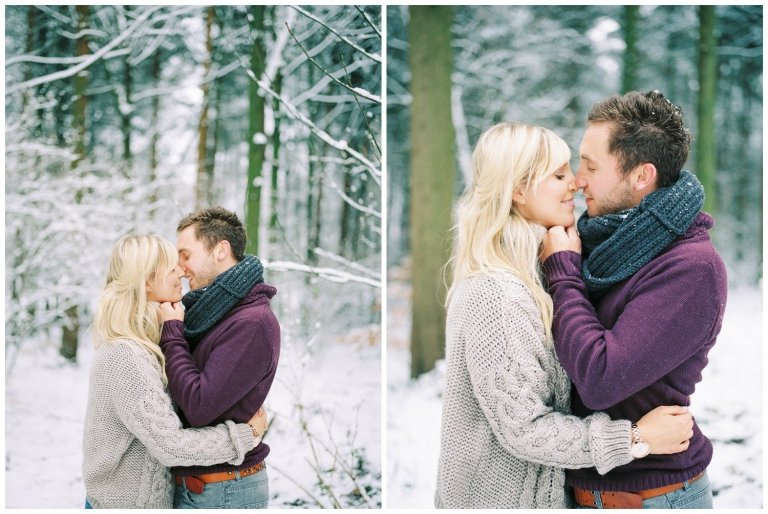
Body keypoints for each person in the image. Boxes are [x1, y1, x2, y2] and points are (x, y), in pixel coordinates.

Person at [435, 122, 694, 509]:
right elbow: (524, 428)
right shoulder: (495, 293)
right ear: (518, 189)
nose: (574, 183)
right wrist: (635, 438)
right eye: (558, 175)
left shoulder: (538, 273)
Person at [540, 90, 727, 509]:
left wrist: (564, 275)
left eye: (590, 165)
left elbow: (601, 379)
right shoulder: (603, 246)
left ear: (641, 176)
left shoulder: (690, 268)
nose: (578, 179)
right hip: (583, 489)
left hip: (654, 496)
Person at [82, 234, 268, 509]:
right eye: (172, 267)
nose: (181, 271)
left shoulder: (144, 345)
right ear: (146, 282)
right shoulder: (125, 356)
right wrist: (245, 435)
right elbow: (171, 445)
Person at [158, 207, 280, 509]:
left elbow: (199, 407)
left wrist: (172, 333)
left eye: (186, 255)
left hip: (224, 490)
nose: (181, 267)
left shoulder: (251, 323)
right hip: (204, 485)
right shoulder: (212, 313)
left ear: (221, 250)